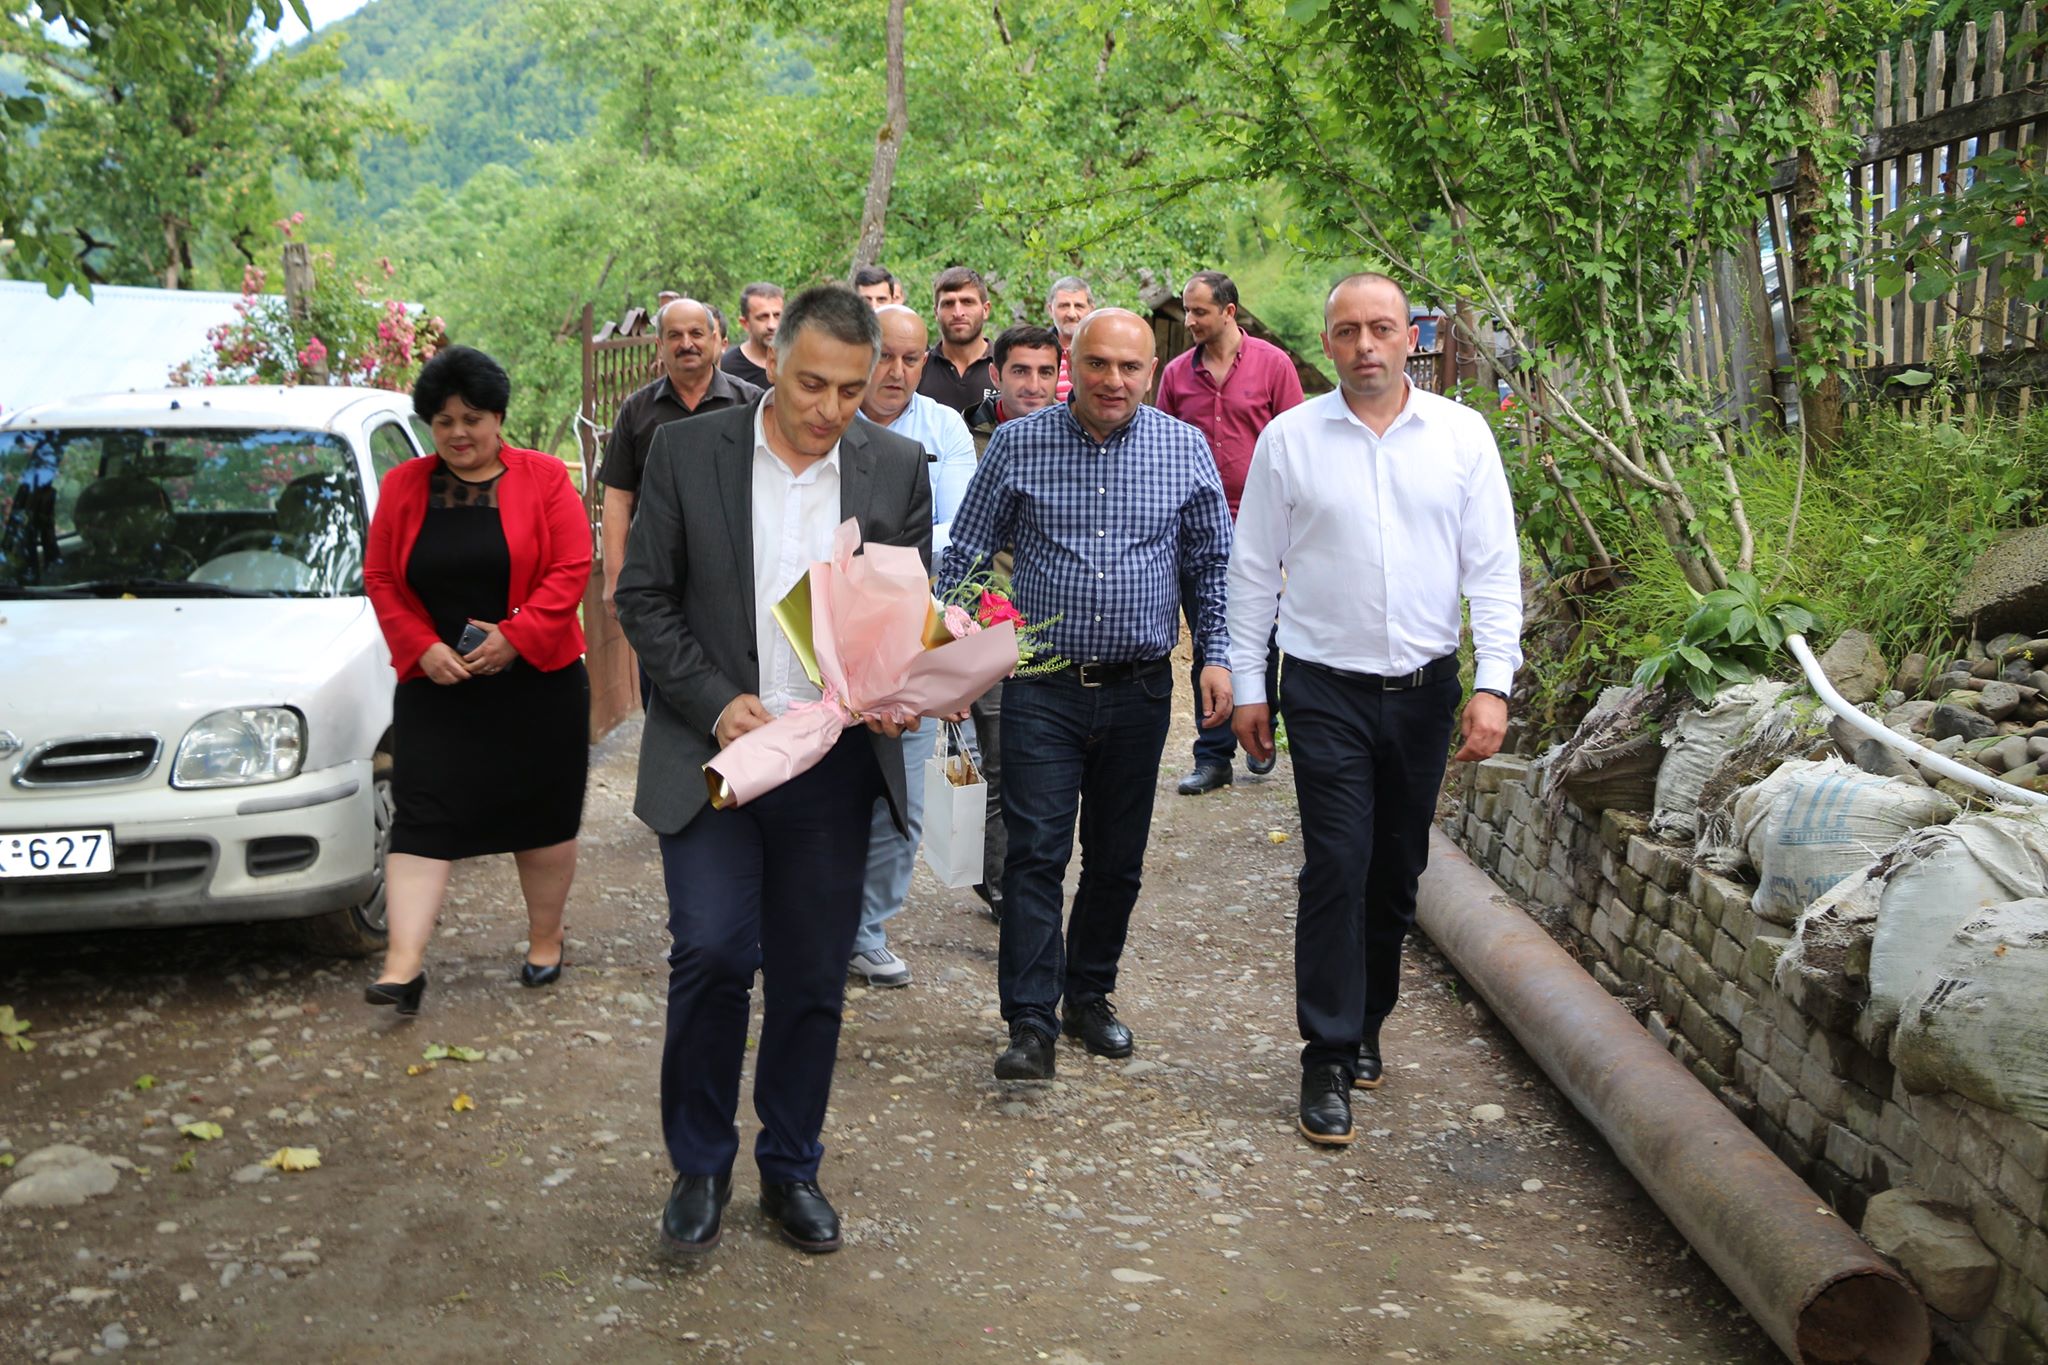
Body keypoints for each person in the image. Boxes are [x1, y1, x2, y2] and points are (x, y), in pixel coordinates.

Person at [614, 285, 934, 1257]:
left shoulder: (893, 467)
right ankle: (699, 1164)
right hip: (715, 754)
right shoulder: (686, 451)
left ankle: (790, 1166)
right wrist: (717, 701)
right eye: (810, 385)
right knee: (712, 952)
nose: (829, 409)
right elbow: (643, 598)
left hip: (831, 764)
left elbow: (901, 611)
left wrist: (908, 682)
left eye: (850, 389)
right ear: (772, 364)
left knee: (810, 975)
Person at [1226, 273, 1521, 1147]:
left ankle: (1366, 1020)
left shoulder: (1462, 437)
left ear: (1409, 338)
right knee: (1336, 863)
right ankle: (1325, 1053)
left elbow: (1493, 568)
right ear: (1327, 344)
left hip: (1424, 691)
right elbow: (1253, 569)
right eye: (1348, 330)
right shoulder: (1290, 439)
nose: (1365, 345)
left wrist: (1494, 681)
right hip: (1324, 687)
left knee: (1395, 871)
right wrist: (1250, 684)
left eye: (1381, 328)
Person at [939, 309, 1234, 1082]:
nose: (1113, 380)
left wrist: (1217, 655)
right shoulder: (1018, 444)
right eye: (1098, 363)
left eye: (1130, 367)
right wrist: (952, 649)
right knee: (1036, 853)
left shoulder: (1183, 448)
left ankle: (1089, 995)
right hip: (1041, 685)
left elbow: (1211, 564)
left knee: (1117, 858)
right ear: (1075, 361)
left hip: (1139, 690)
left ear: (1151, 370)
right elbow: (965, 553)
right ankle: (1030, 1021)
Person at [362, 345, 593, 1016]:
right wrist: (421, 646)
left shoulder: (544, 477)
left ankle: (545, 939)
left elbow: (571, 566)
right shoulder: (404, 485)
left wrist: (516, 637)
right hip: (437, 685)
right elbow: (381, 577)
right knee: (421, 816)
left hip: (537, 684)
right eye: (443, 421)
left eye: (472, 419)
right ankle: (403, 965)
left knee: (541, 818)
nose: (458, 433)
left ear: (498, 417)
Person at [847, 304, 979, 989]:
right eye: (885, 356)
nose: (896, 372)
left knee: (904, 792)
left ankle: (868, 929)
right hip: (827, 626)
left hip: (917, 627)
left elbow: (956, 529)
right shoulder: (830, 421)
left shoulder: (944, 427)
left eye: (911, 358)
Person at [1156, 271, 1305, 796]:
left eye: (1199, 311)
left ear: (1229, 311)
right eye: (1187, 310)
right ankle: (1213, 755)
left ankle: (1261, 737)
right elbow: (1161, 446)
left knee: (1262, 635)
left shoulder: (1274, 365)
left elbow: (1296, 442)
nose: (1189, 321)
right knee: (1209, 640)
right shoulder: (1176, 374)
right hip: (1197, 529)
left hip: (1260, 525)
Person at [960, 323, 1062, 922]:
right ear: (996, 374)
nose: (1033, 384)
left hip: (1055, 631)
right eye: (1020, 370)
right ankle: (1003, 887)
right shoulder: (969, 438)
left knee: (1038, 766)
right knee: (999, 760)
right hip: (989, 622)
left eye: (1045, 372)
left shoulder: (1075, 438)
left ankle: (1011, 873)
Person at [596, 299, 761, 623]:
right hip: (657, 576)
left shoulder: (751, 404)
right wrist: (614, 576)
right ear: (660, 346)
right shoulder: (637, 410)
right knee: (658, 653)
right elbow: (618, 496)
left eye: (696, 333)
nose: (686, 344)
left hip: (737, 575)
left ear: (715, 340)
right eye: (675, 335)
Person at [917, 266, 997, 414]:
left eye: (967, 302)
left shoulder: (1005, 368)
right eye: (948, 304)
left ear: (985, 310)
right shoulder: (918, 369)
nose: (958, 313)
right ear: (936, 312)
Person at [722, 282, 782, 389]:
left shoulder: (799, 361)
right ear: (745, 323)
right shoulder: (726, 370)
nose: (772, 325)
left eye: (777, 315)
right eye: (763, 317)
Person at [1045, 275, 1092, 402]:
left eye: (1079, 306)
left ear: (1091, 309)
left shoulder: (1105, 350)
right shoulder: (1037, 352)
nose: (1071, 314)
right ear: (1050, 310)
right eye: (1064, 306)